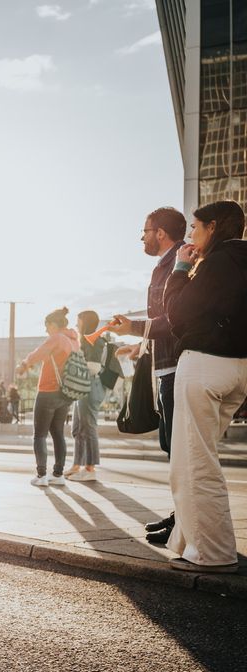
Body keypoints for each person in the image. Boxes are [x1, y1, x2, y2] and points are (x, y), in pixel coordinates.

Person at [161, 200, 247, 573]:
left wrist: (181, 268)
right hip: (238, 368)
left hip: (205, 364)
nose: (191, 235)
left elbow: (177, 311)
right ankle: (187, 542)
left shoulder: (218, 262)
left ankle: (213, 554)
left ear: (213, 227)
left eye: (195, 228)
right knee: (199, 457)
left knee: (193, 462)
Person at [108, 206, 187, 543]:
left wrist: (133, 328)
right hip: (164, 364)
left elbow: (175, 319)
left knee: (179, 449)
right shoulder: (166, 265)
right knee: (172, 447)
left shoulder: (177, 265)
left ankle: (185, 520)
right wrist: (138, 346)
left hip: (175, 367)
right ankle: (181, 515)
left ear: (161, 233)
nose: (142, 236)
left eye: (145, 230)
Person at [16, 307, 81, 487]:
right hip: (66, 392)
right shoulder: (74, 340)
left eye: (47, 326)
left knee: (40, 435)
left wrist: (23, 364)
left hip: (49, 390)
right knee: (58, 433)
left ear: (53, 324)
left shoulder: (58, 338)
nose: (46, 330)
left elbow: (38, 353)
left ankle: (41, 475)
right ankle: (58, 474)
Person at [66, 310, 109, 482]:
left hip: (90, 385)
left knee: (88, 427)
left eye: (79, 322)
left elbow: (94, 367)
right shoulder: (84, 341)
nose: (76, 325)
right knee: (77, 428)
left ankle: (90, 469)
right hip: (82, 386)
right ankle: (77, 465)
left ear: (86, 323)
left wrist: (74, 363)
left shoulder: (95, 341)